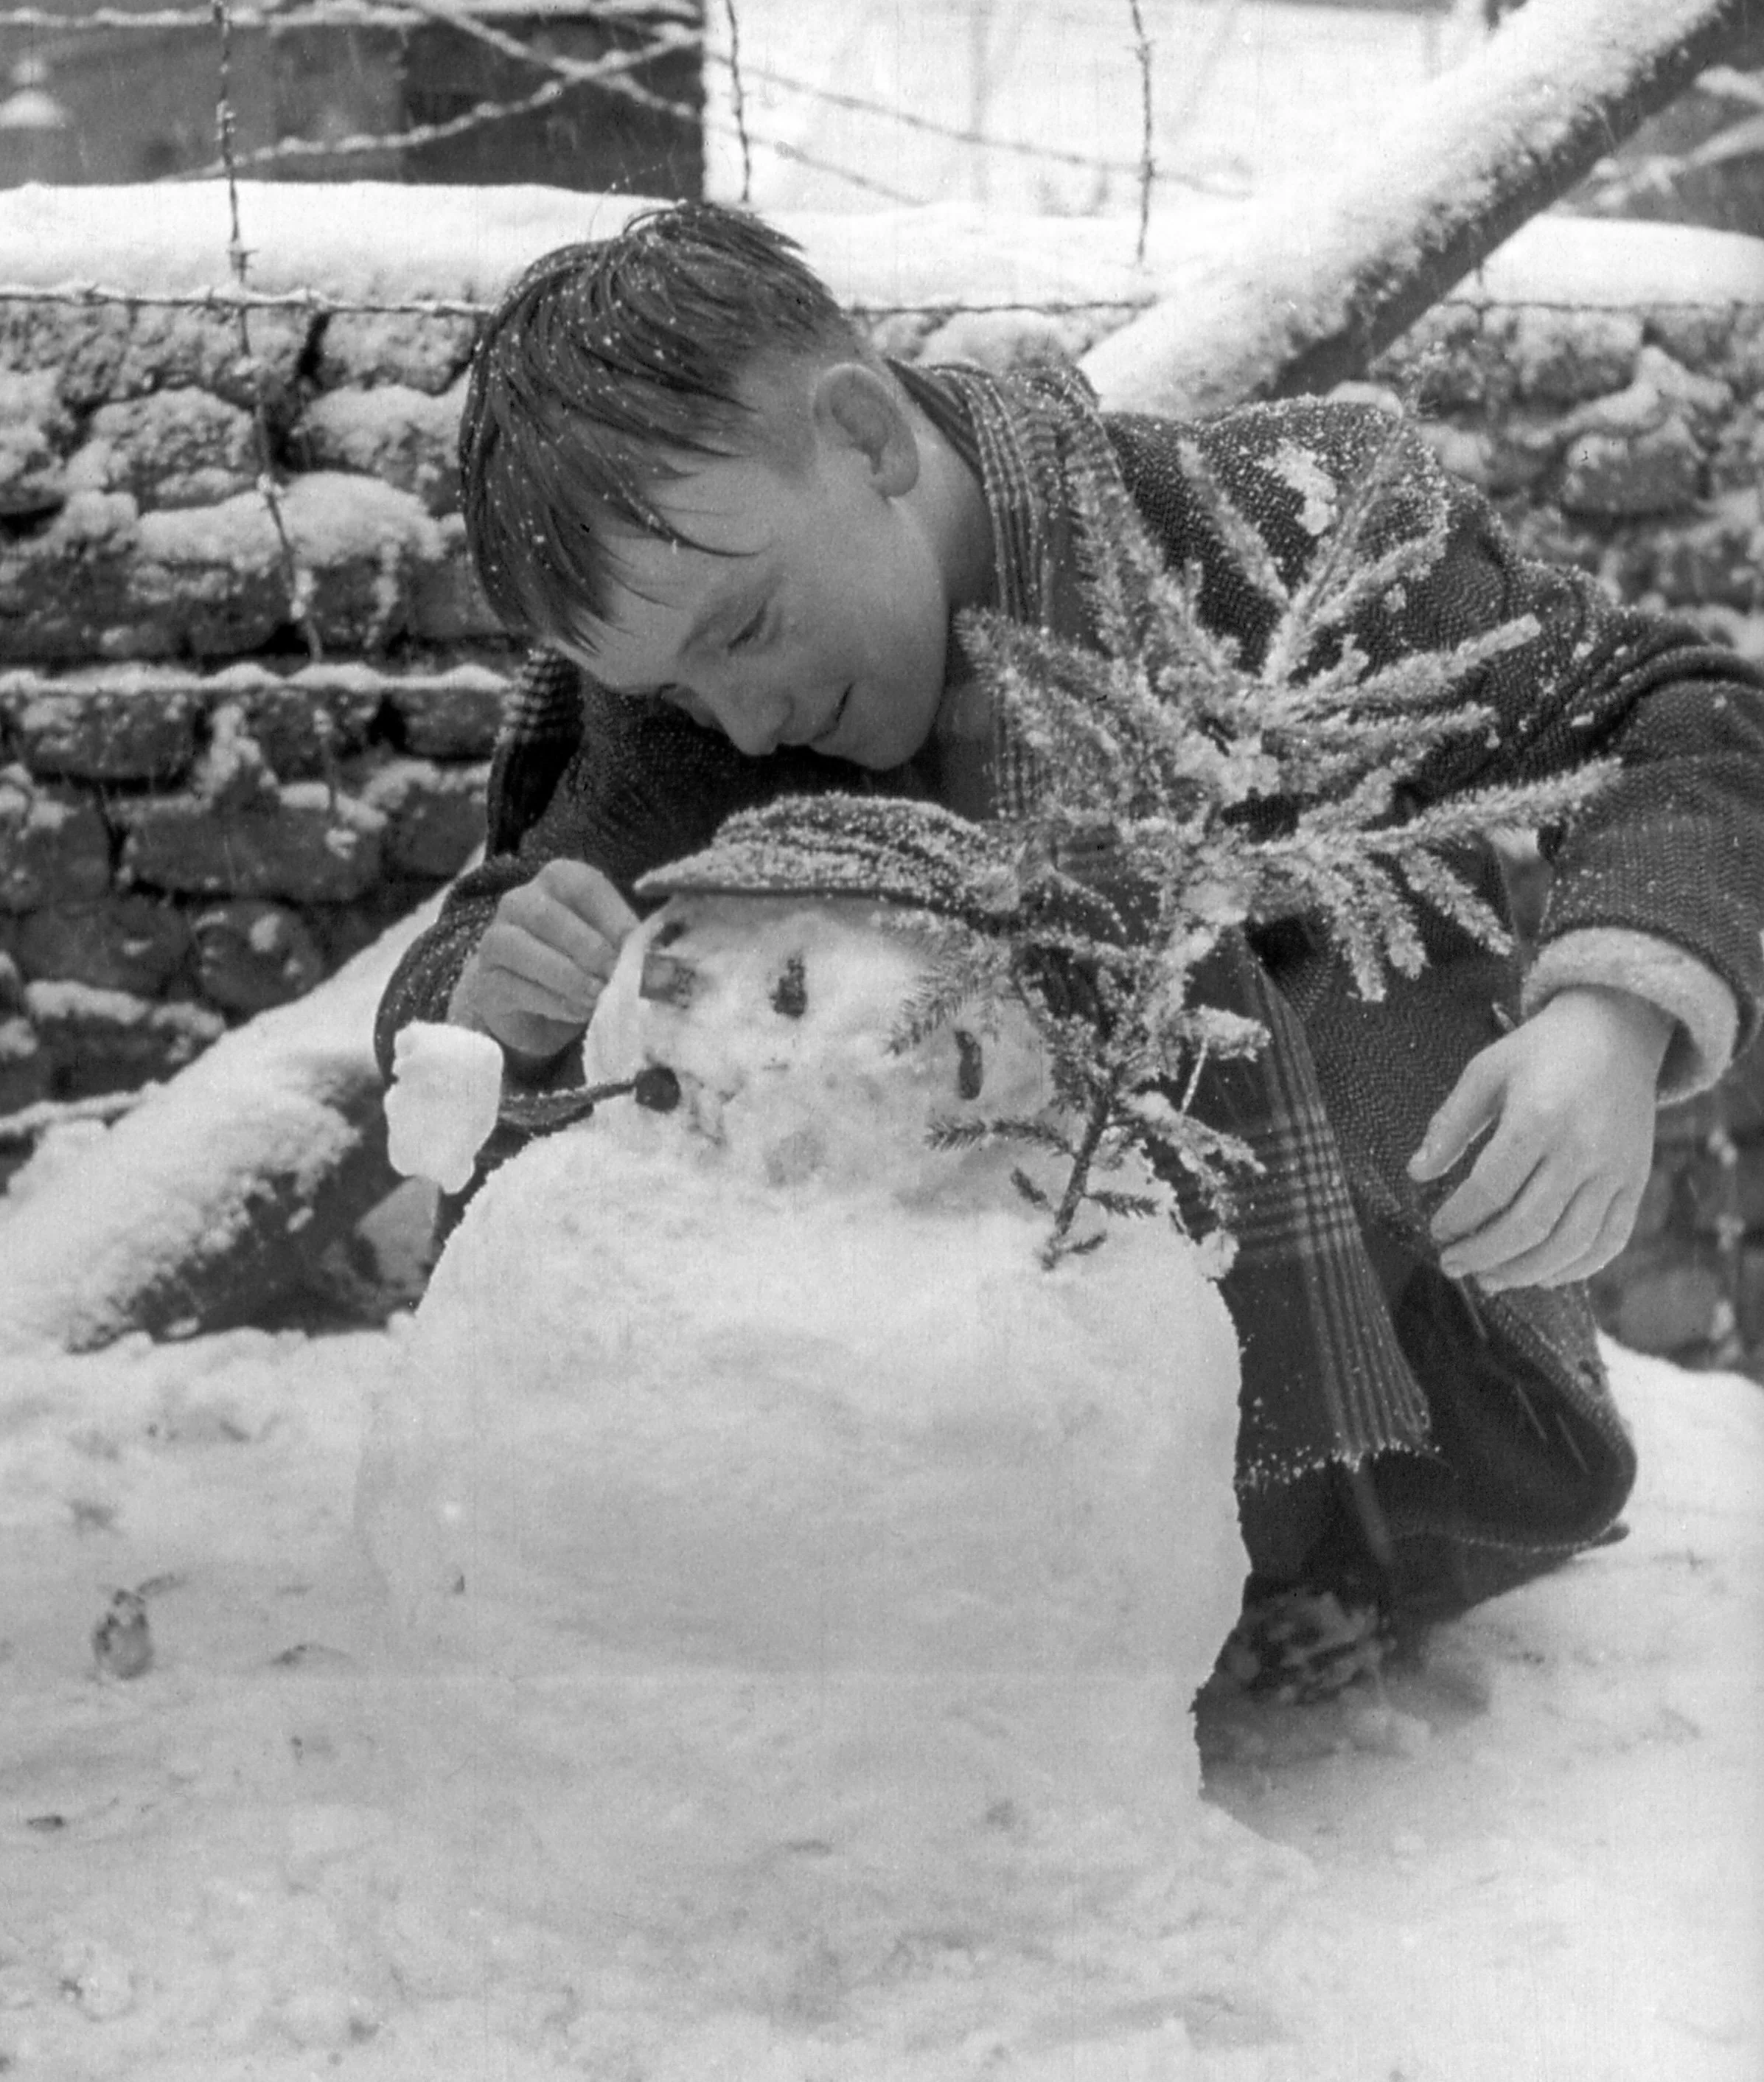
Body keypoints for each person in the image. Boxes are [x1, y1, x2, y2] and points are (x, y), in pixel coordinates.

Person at [375, 201, 1764, 1651]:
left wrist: (1612, 1019)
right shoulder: (688, 711)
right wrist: (489, 999)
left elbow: (1685, 712)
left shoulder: (1291, 529)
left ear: (864, 434)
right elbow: (473, 954)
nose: (744, 719)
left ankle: (1312, 1540)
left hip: (1399, 1401)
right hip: (946, 1525)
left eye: (743, 631)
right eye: (670, 688)